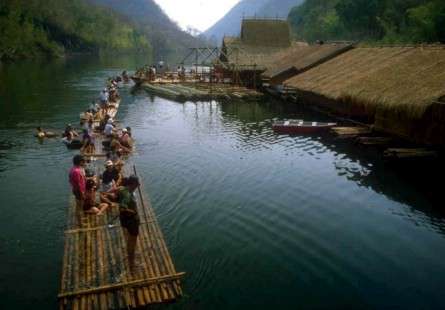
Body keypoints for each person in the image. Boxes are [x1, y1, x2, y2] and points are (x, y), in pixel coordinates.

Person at [117, 175, 140, 271]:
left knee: (129, 239)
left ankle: (129, 256)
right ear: (133, 184)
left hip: (125, 220)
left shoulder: (123, 189)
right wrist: (134, 212)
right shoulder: (127, 194)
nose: (138, 185)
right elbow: (122, 208)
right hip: (131, 221)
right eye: (137, 184)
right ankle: (132, 265)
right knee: (132, 242)